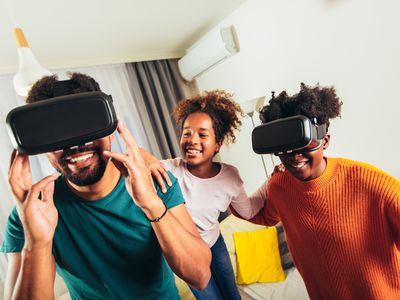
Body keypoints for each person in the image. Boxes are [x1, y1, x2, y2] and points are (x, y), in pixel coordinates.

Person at [1, 73, 211, 300]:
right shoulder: (30, 212)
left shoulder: (155, 182)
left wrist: (151, 203)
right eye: (57, 133)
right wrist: (36, 242)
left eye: (85, 126)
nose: (75, 144)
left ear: (110, 127)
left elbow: (200, 276)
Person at [235, 83, 400, 299]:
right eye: (286, 149)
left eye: (304, 145)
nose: (295, 156)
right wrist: (222, 184)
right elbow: (260, 215)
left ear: (326, 141)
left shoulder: (374, 184)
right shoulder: (280, 186)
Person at [141, 90, 265, 300]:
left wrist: (271, 183)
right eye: (186, 133)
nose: (192, 140)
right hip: (189, 254)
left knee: (232, 296)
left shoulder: (230, 176)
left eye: (202, 134)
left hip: (215, 245)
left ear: (217, 143)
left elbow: (249, 210)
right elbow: (134, 157)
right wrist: (149, 159)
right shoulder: (170, 170)